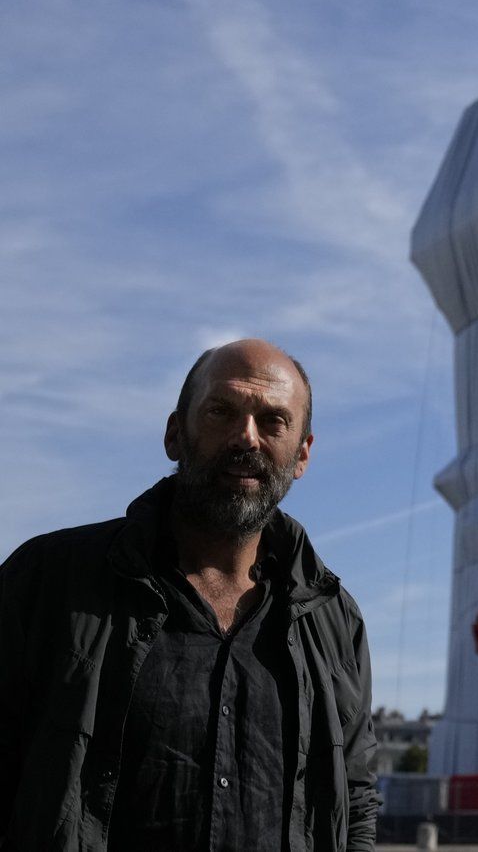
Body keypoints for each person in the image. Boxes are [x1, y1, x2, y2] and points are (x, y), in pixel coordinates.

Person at [0, 339, 380, 850]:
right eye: (222, 411)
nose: (247, 438)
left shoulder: (333, 618)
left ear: (302, 455)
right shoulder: (48, 581)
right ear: (175, 433)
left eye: (273, 422)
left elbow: (354, 803)